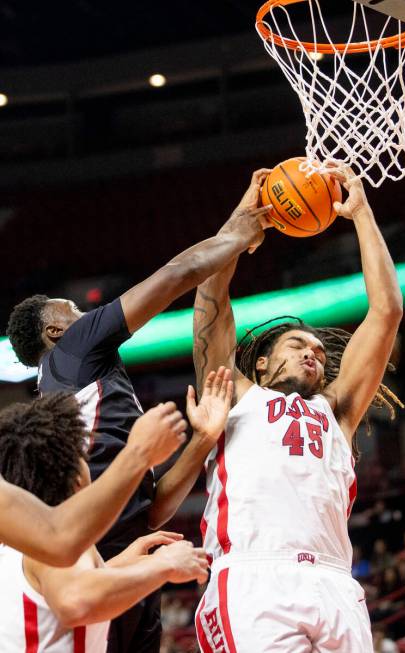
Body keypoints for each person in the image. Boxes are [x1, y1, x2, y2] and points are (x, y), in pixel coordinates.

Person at [6, 173, 271, 653]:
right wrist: (237, 234)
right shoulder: (74, 350)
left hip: (114, 555)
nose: (87, 315)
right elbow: (173, 276)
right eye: (74, 310)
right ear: (54, 328)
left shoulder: (75, 388)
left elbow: (152, 511)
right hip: (88, 557)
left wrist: (202, 441)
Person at [192, 166, 404, 652]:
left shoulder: (339, 410)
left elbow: (387, 310)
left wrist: (361, 213)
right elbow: (210, 297)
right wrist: (243, 221)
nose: (313, 353)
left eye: (320, 351)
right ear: (262, 361)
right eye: (296, 344)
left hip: (335, 582)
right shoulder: (233, 391)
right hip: (253, 576)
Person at [0, 368, 232, 652]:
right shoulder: (61, 547)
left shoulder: (18, 541)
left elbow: (54, 593)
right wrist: (163, 567)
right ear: (76, 478)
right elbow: (74, 600)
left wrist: (121, 564)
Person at [0, 397, 187, 566]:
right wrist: (139, 452)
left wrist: (117, 565)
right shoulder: (39, 544)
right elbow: (73, 592)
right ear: (77, 479)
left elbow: (73, 586)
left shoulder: (19, 544)